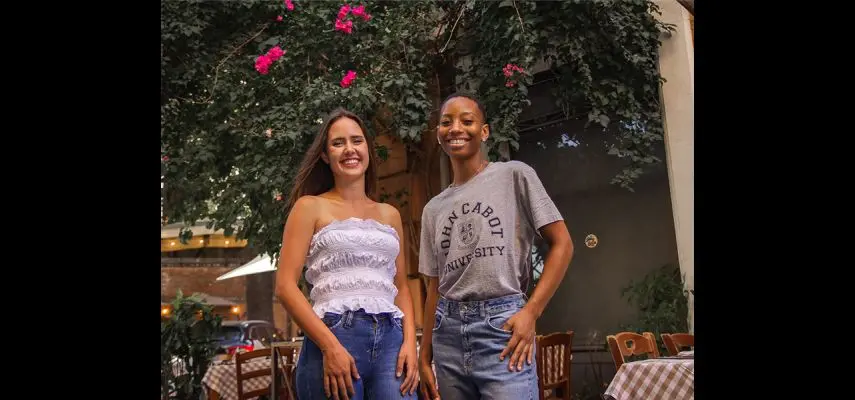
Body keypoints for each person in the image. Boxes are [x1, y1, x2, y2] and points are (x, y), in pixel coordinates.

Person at [418, 93, 574, 400]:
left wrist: (531, 312)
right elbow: (435, 285)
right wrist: (425, 355)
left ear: (484, 131)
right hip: (446, 334)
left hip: (501, 328)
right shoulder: (433, 209)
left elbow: (563, 244)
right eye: (446, 122)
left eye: (467, 120)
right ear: (438, 134)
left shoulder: (514, 175)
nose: (456, 128)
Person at [274, 108, 419, 400]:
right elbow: (285, 287)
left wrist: (410, 344)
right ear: (326, 155)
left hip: (392, 341)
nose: (349, 149)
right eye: (338, 143)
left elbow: (400, 287)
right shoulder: (309, 207)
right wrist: (330, 346)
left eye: (357, 140)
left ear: (368, 149)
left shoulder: (389, 215)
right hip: (335, 334)